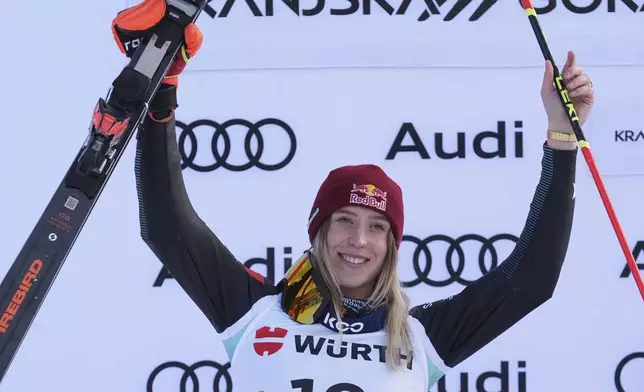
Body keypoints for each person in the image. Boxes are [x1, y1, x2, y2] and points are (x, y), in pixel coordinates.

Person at [112, 1, 593, 390]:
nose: (359, 239)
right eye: (344, 219)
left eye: (377, 226)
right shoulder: (254, 310)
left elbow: (530, 280)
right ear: (318, 230)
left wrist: (561, 137)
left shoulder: (421, 338)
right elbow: (168, 226)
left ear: (392, 244)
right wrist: (162, 90)